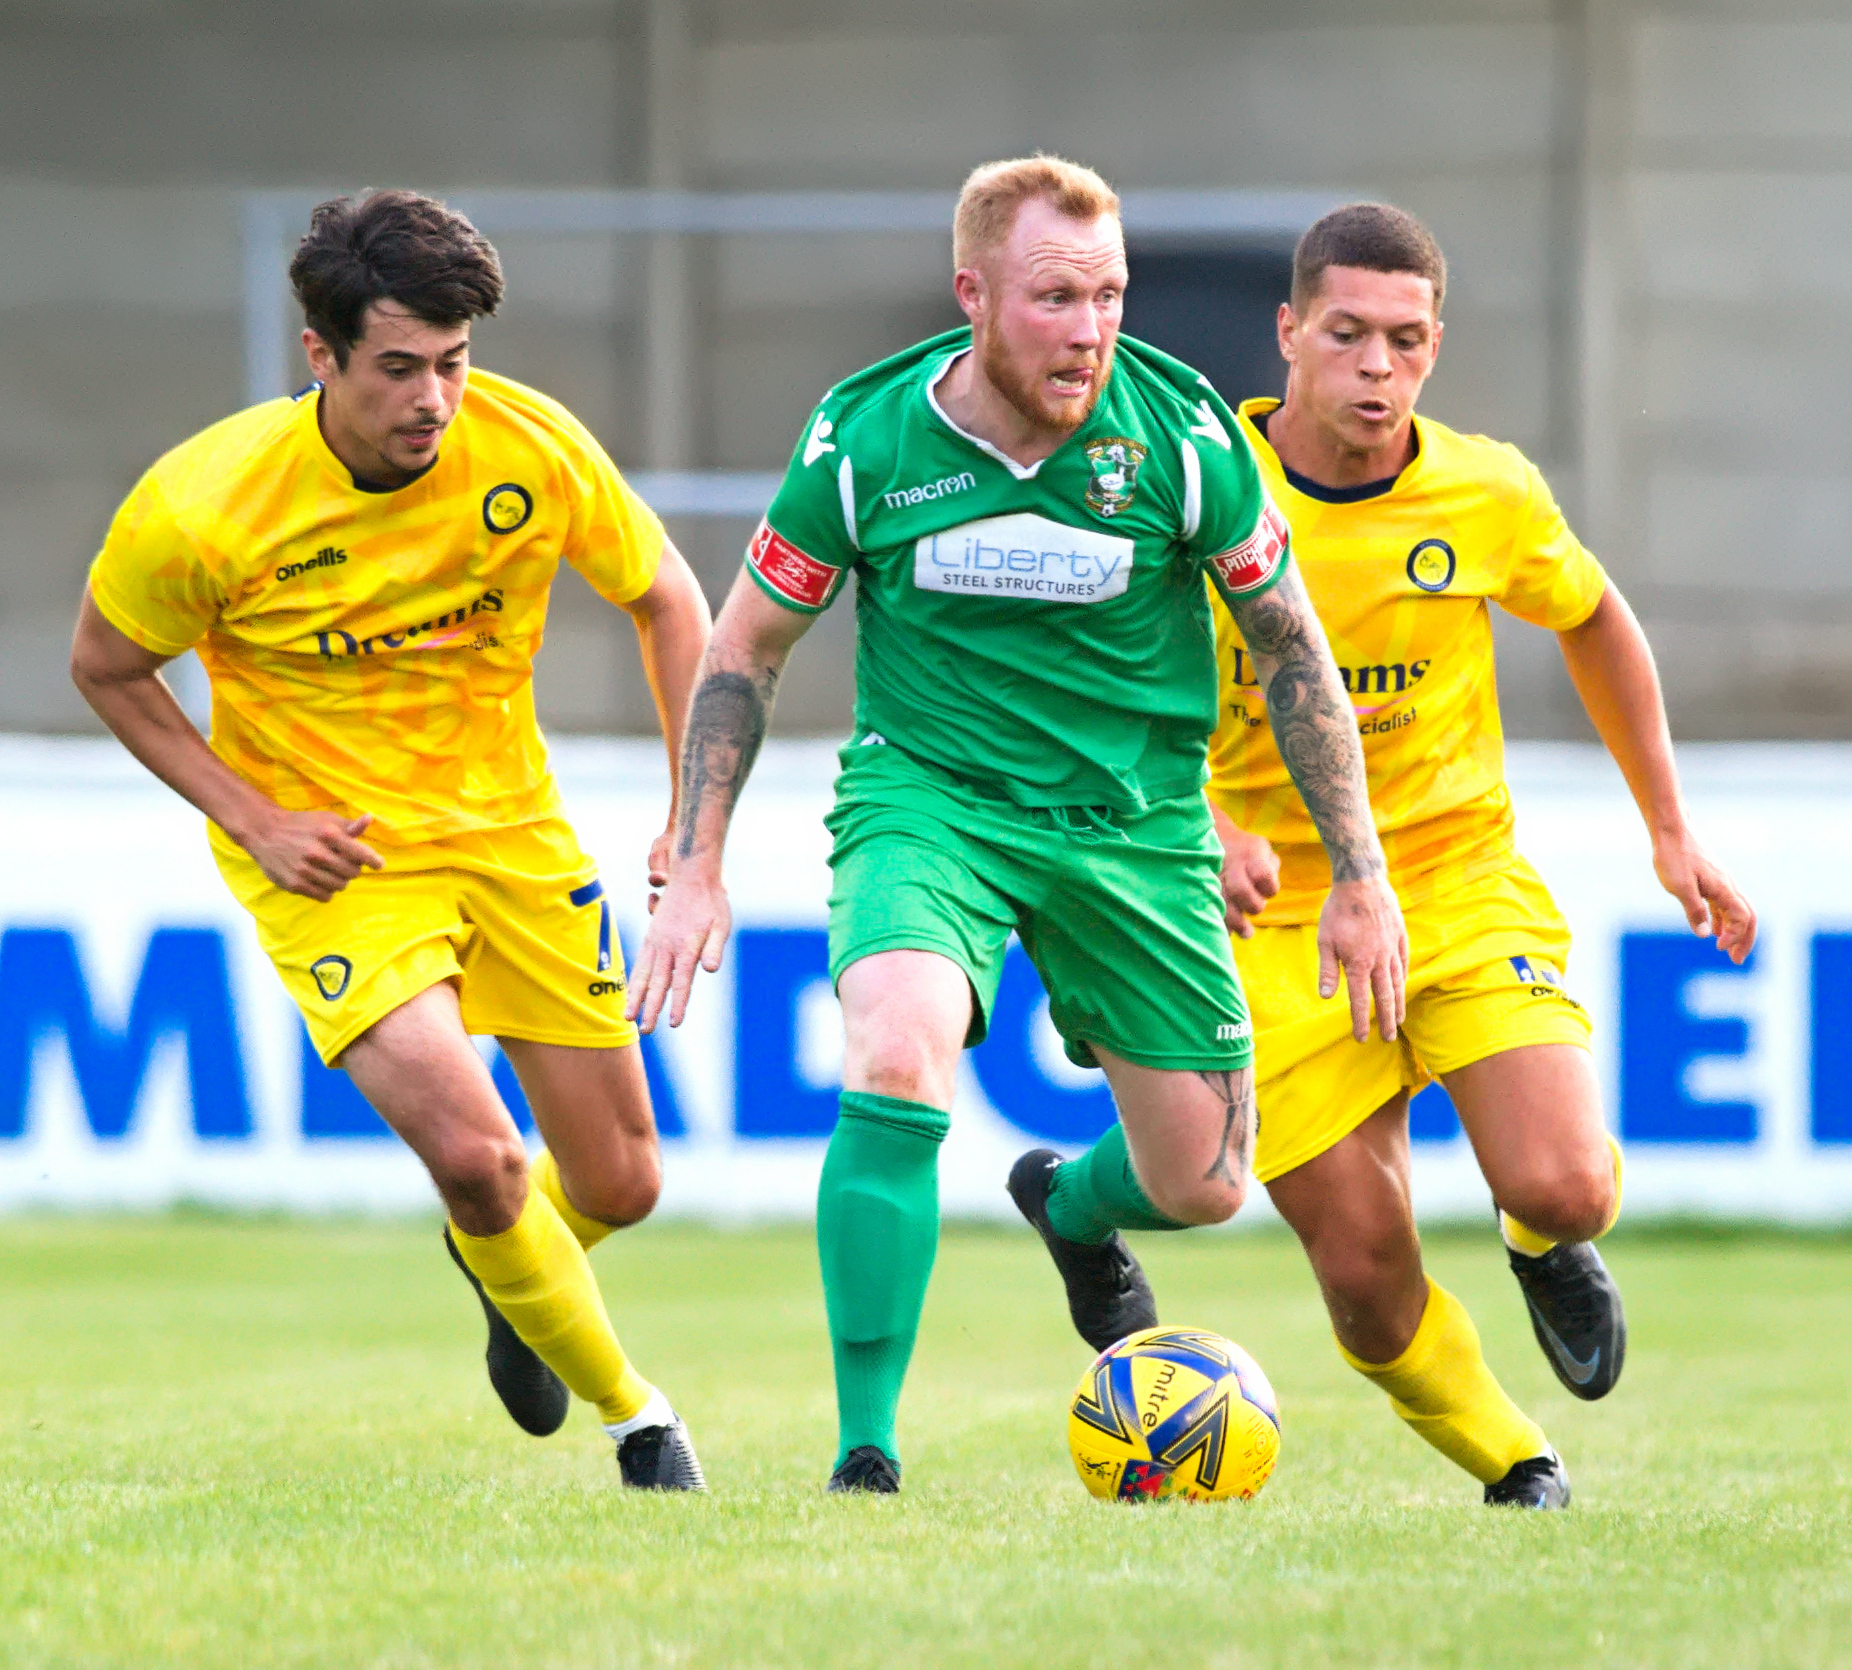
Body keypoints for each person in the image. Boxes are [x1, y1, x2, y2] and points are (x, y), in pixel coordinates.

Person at [629, 155, 1405, 1493]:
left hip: (1136, 824)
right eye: (1057, 298)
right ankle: (863, 1448)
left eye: (1110, 294)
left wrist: (1360, 872)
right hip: (931, 803)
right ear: (973, 295)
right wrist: (693, 860)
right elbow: (749, 643)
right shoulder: (864, 440)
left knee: (1209, 1180)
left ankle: (1070, 1200)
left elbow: (1291, 646)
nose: (1093, 328)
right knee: (896, 1056)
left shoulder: (1182, 435)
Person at [69, 189, 713, 1489]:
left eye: (456, 364)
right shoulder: (204, 506)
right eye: (402, 368)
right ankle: (640, 1420)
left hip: (513, 834)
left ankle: (507, 1265)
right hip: (335, 857)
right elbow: (106, 664)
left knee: (624, 1180)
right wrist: (254, 815)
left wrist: (691, 829)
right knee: (483, 1157)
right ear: (322, 355)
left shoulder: (527, 448)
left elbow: (668, 596)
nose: (435, 399)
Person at [1195, 202, 1757, 1507]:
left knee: (1569, 1181)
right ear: (1290, 332)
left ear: (1435, 344)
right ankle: (1520, 1462)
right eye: (1346, 334)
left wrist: (1670, 829)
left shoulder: (1487, 491)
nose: (1375, 366)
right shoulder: (1200, 481)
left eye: (1403, 339)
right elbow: (1094, 666)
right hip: (1273, 914)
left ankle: (1534, 1234)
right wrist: (1193, 812)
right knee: (1362, 1262)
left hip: (1453, 878)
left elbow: (1597, 618)